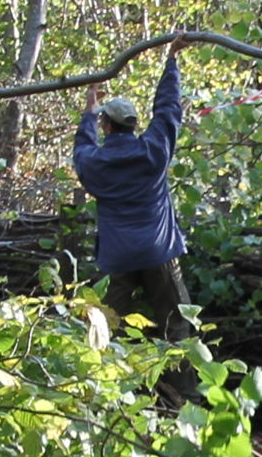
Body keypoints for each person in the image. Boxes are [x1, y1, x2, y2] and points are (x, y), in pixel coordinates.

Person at [73, 38, 192, 344]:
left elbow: (81, 147)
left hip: (118, 257)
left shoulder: (95, 163)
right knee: (177, 326)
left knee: (106, 331)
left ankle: (105, 388)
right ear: (134, 125)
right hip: (159, 250)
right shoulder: (154, 151)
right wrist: (171, 61)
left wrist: (90, 108)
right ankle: (186, 391)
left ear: (107, 126)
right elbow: (167, 110)